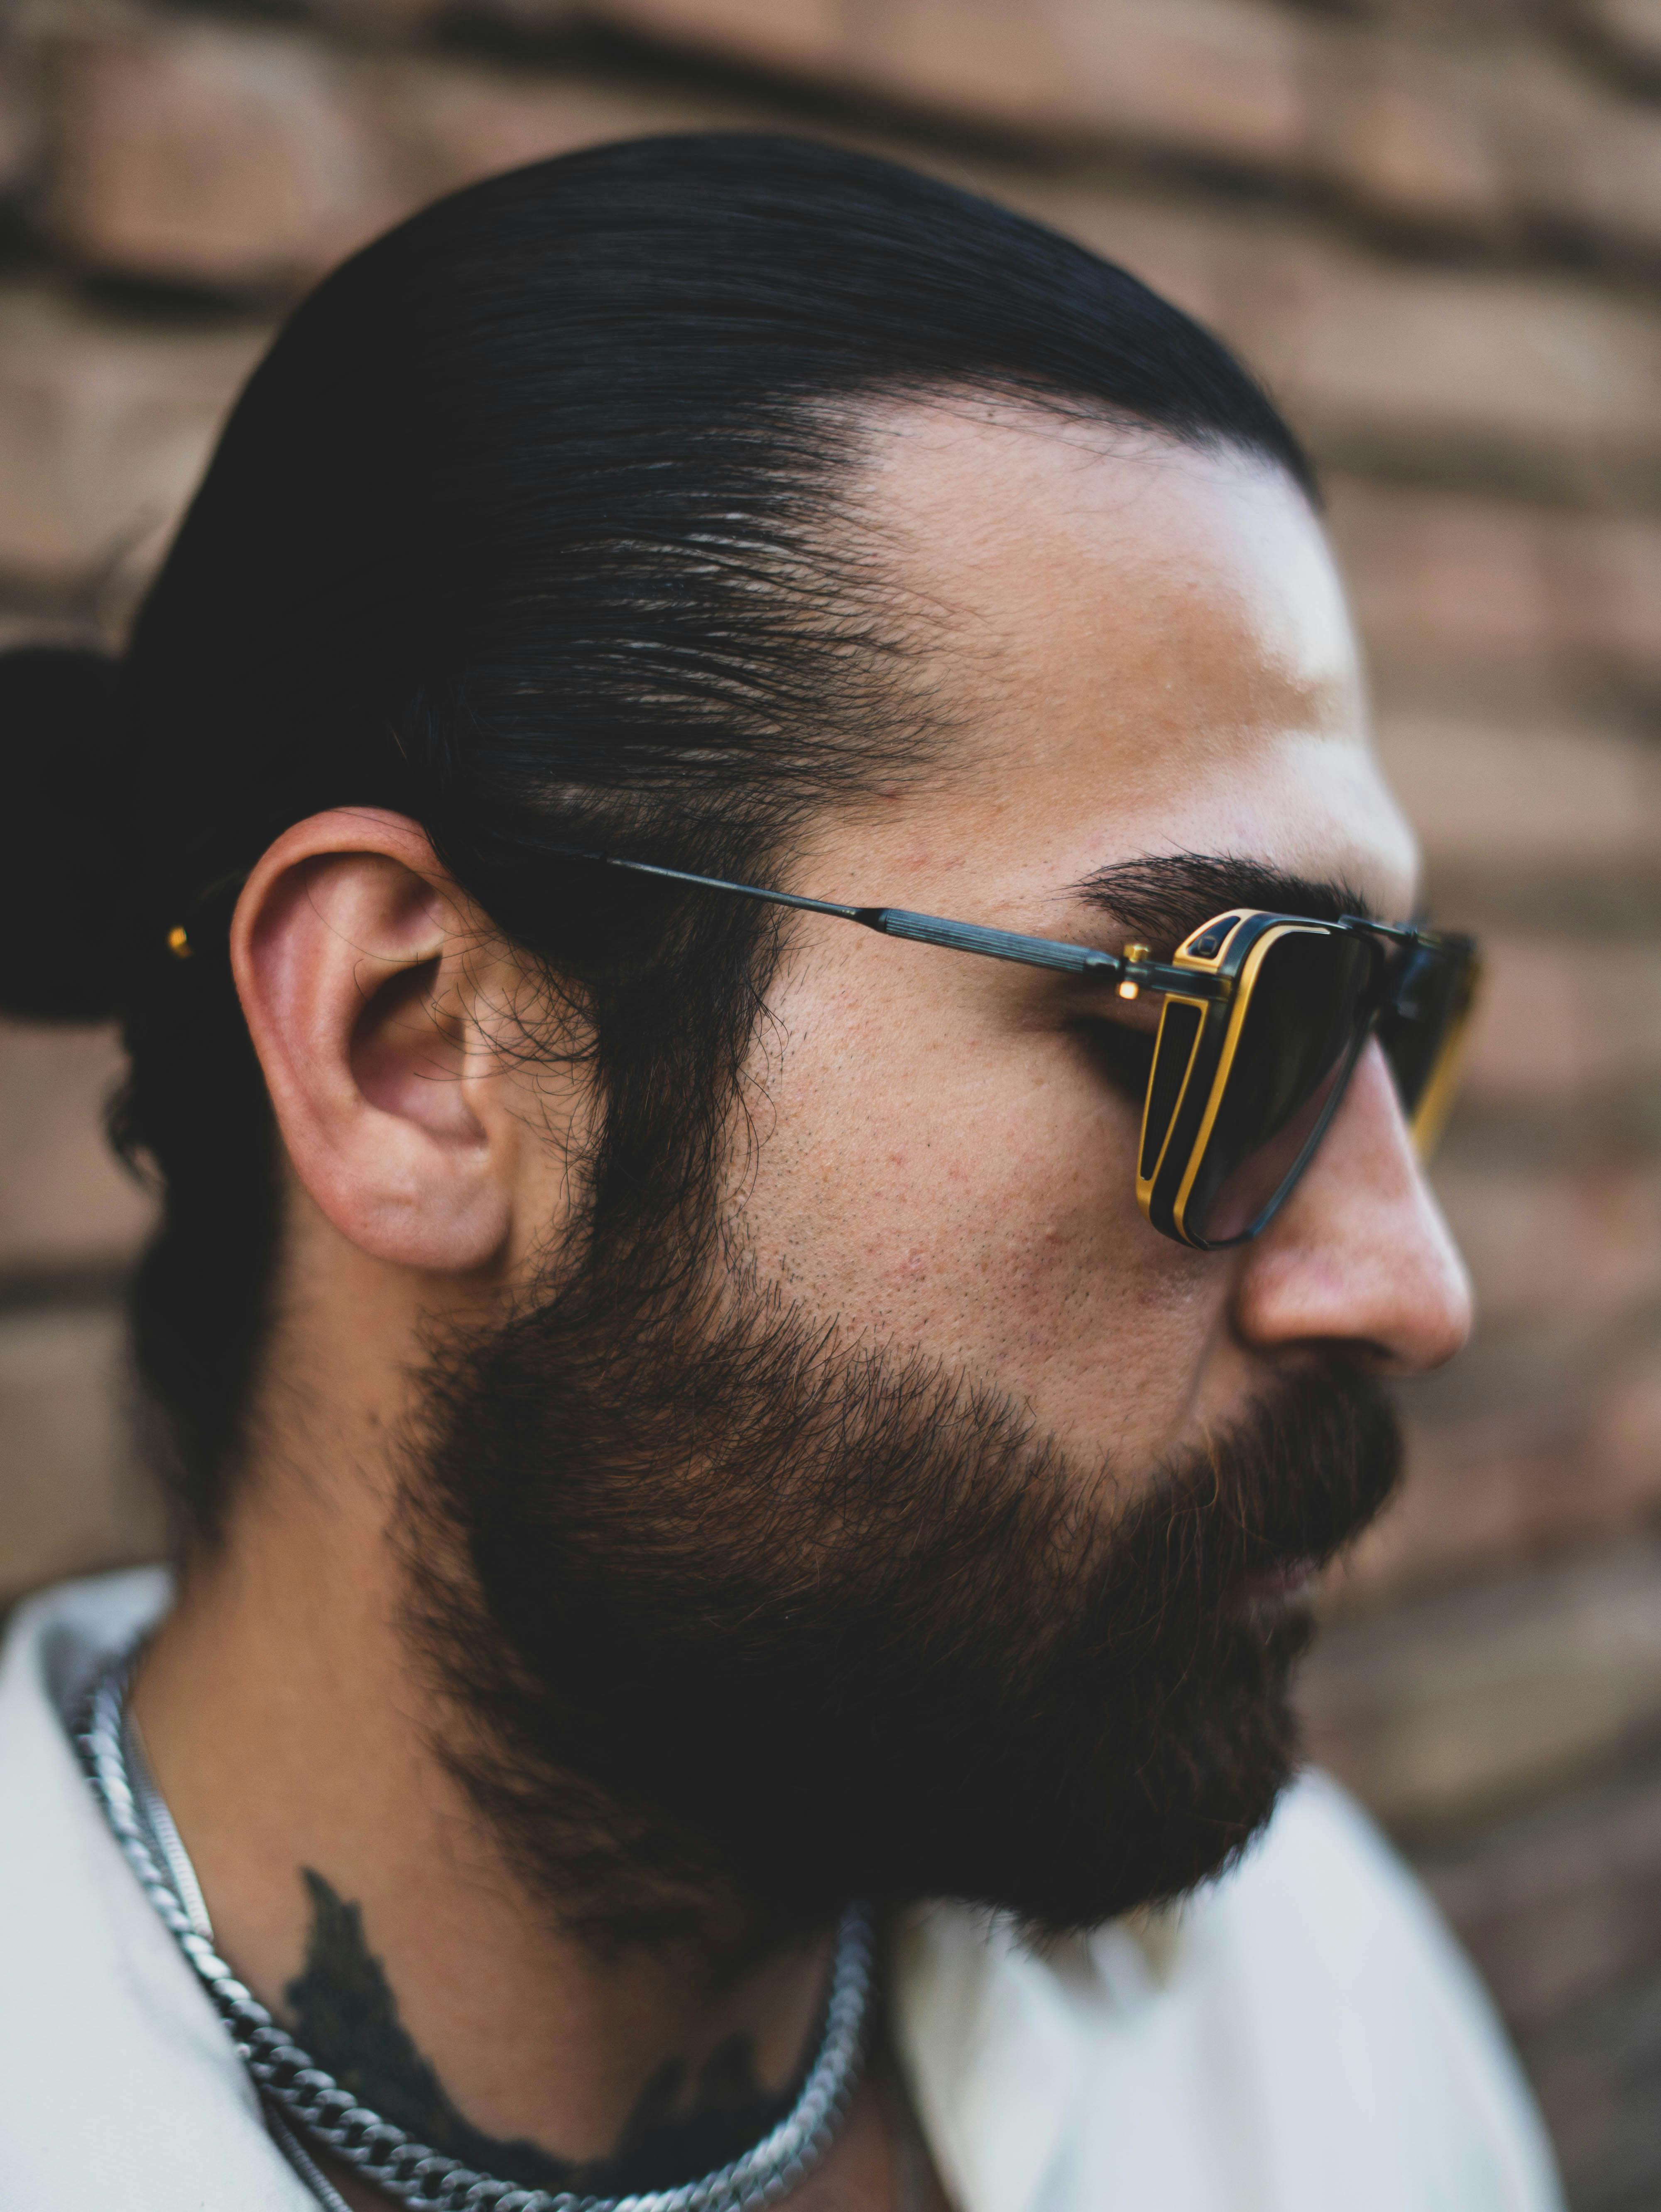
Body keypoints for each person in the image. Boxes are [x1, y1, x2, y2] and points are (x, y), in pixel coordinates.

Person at [0, 134, 1561, 2212]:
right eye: (1229, 1022)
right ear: (421, 1056)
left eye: (1388, 1021)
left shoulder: (1294, 2006)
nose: (1402, 1286)